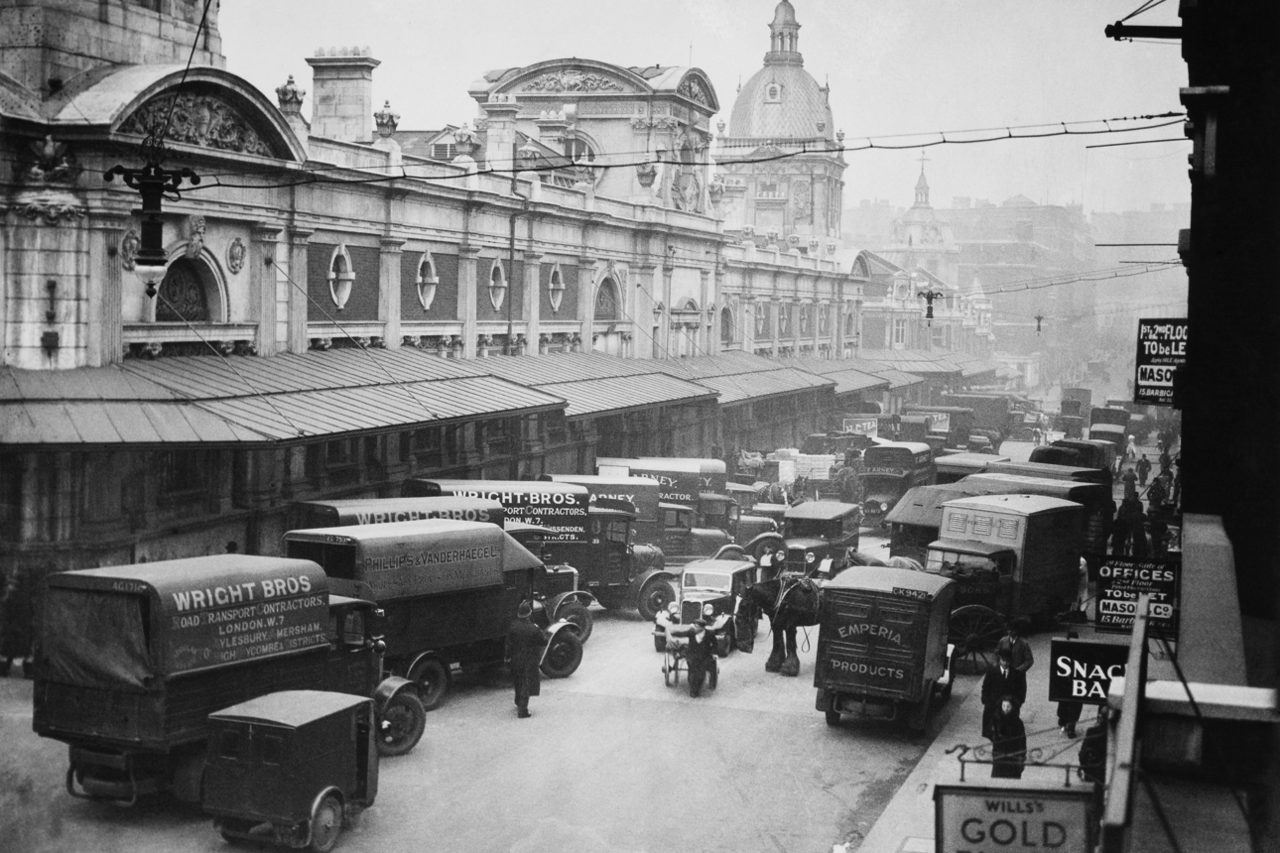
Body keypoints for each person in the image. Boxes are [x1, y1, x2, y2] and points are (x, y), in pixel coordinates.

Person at [506, 600, 549, 718]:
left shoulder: (513, 626)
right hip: (529, 659)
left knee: (518, 681)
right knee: (526, 683)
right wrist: (539, 629)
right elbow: (543, 641)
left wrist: (507, 657)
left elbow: (508, 645)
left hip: (516, 659)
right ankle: (523, 710)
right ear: (529, 614)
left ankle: (517, 701)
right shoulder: (533, 628)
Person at [981, 649, 1027, 739]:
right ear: (999, 659)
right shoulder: (992, 672)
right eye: (1003, 660)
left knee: (1009, 734)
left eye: (1008, 661)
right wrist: (987, 702)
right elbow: (985, 688)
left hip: (1009, 711)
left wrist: (1016, 704)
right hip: (993, 709)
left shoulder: (1016, 675)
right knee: (993, 733)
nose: (1005, 663)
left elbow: (1021, 692)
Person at [990, 696, 1028, 779]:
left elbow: (1022, 741)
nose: (1006, 709)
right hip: (999, 755)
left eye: (1008, 706)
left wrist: (1021, 758)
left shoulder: (1017, 722)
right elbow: (993, 737)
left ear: (1012, 707)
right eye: (1003, 706)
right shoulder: (996, 719)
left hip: (1013, 756)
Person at [1056, 631, 1084, 737]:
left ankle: (1070, 726)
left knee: (1071, 705)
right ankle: (1067, 723)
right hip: (1072, 683)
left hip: (1072, 683)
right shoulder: (1078, 650)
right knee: (1071, 705)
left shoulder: (1063, 649)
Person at [685, 619, 718, 698]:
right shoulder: (691, 633)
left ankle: (697, 689)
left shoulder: (710, 634)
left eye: (697, 627)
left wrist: (713, 653)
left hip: (705, 656)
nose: (695, 628)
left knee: (701, 674)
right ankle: (693, 690)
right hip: (692, 656)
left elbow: (715, 644)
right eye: (695, 626)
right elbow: (682, 636)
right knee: (692, 673)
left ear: (702, 628)